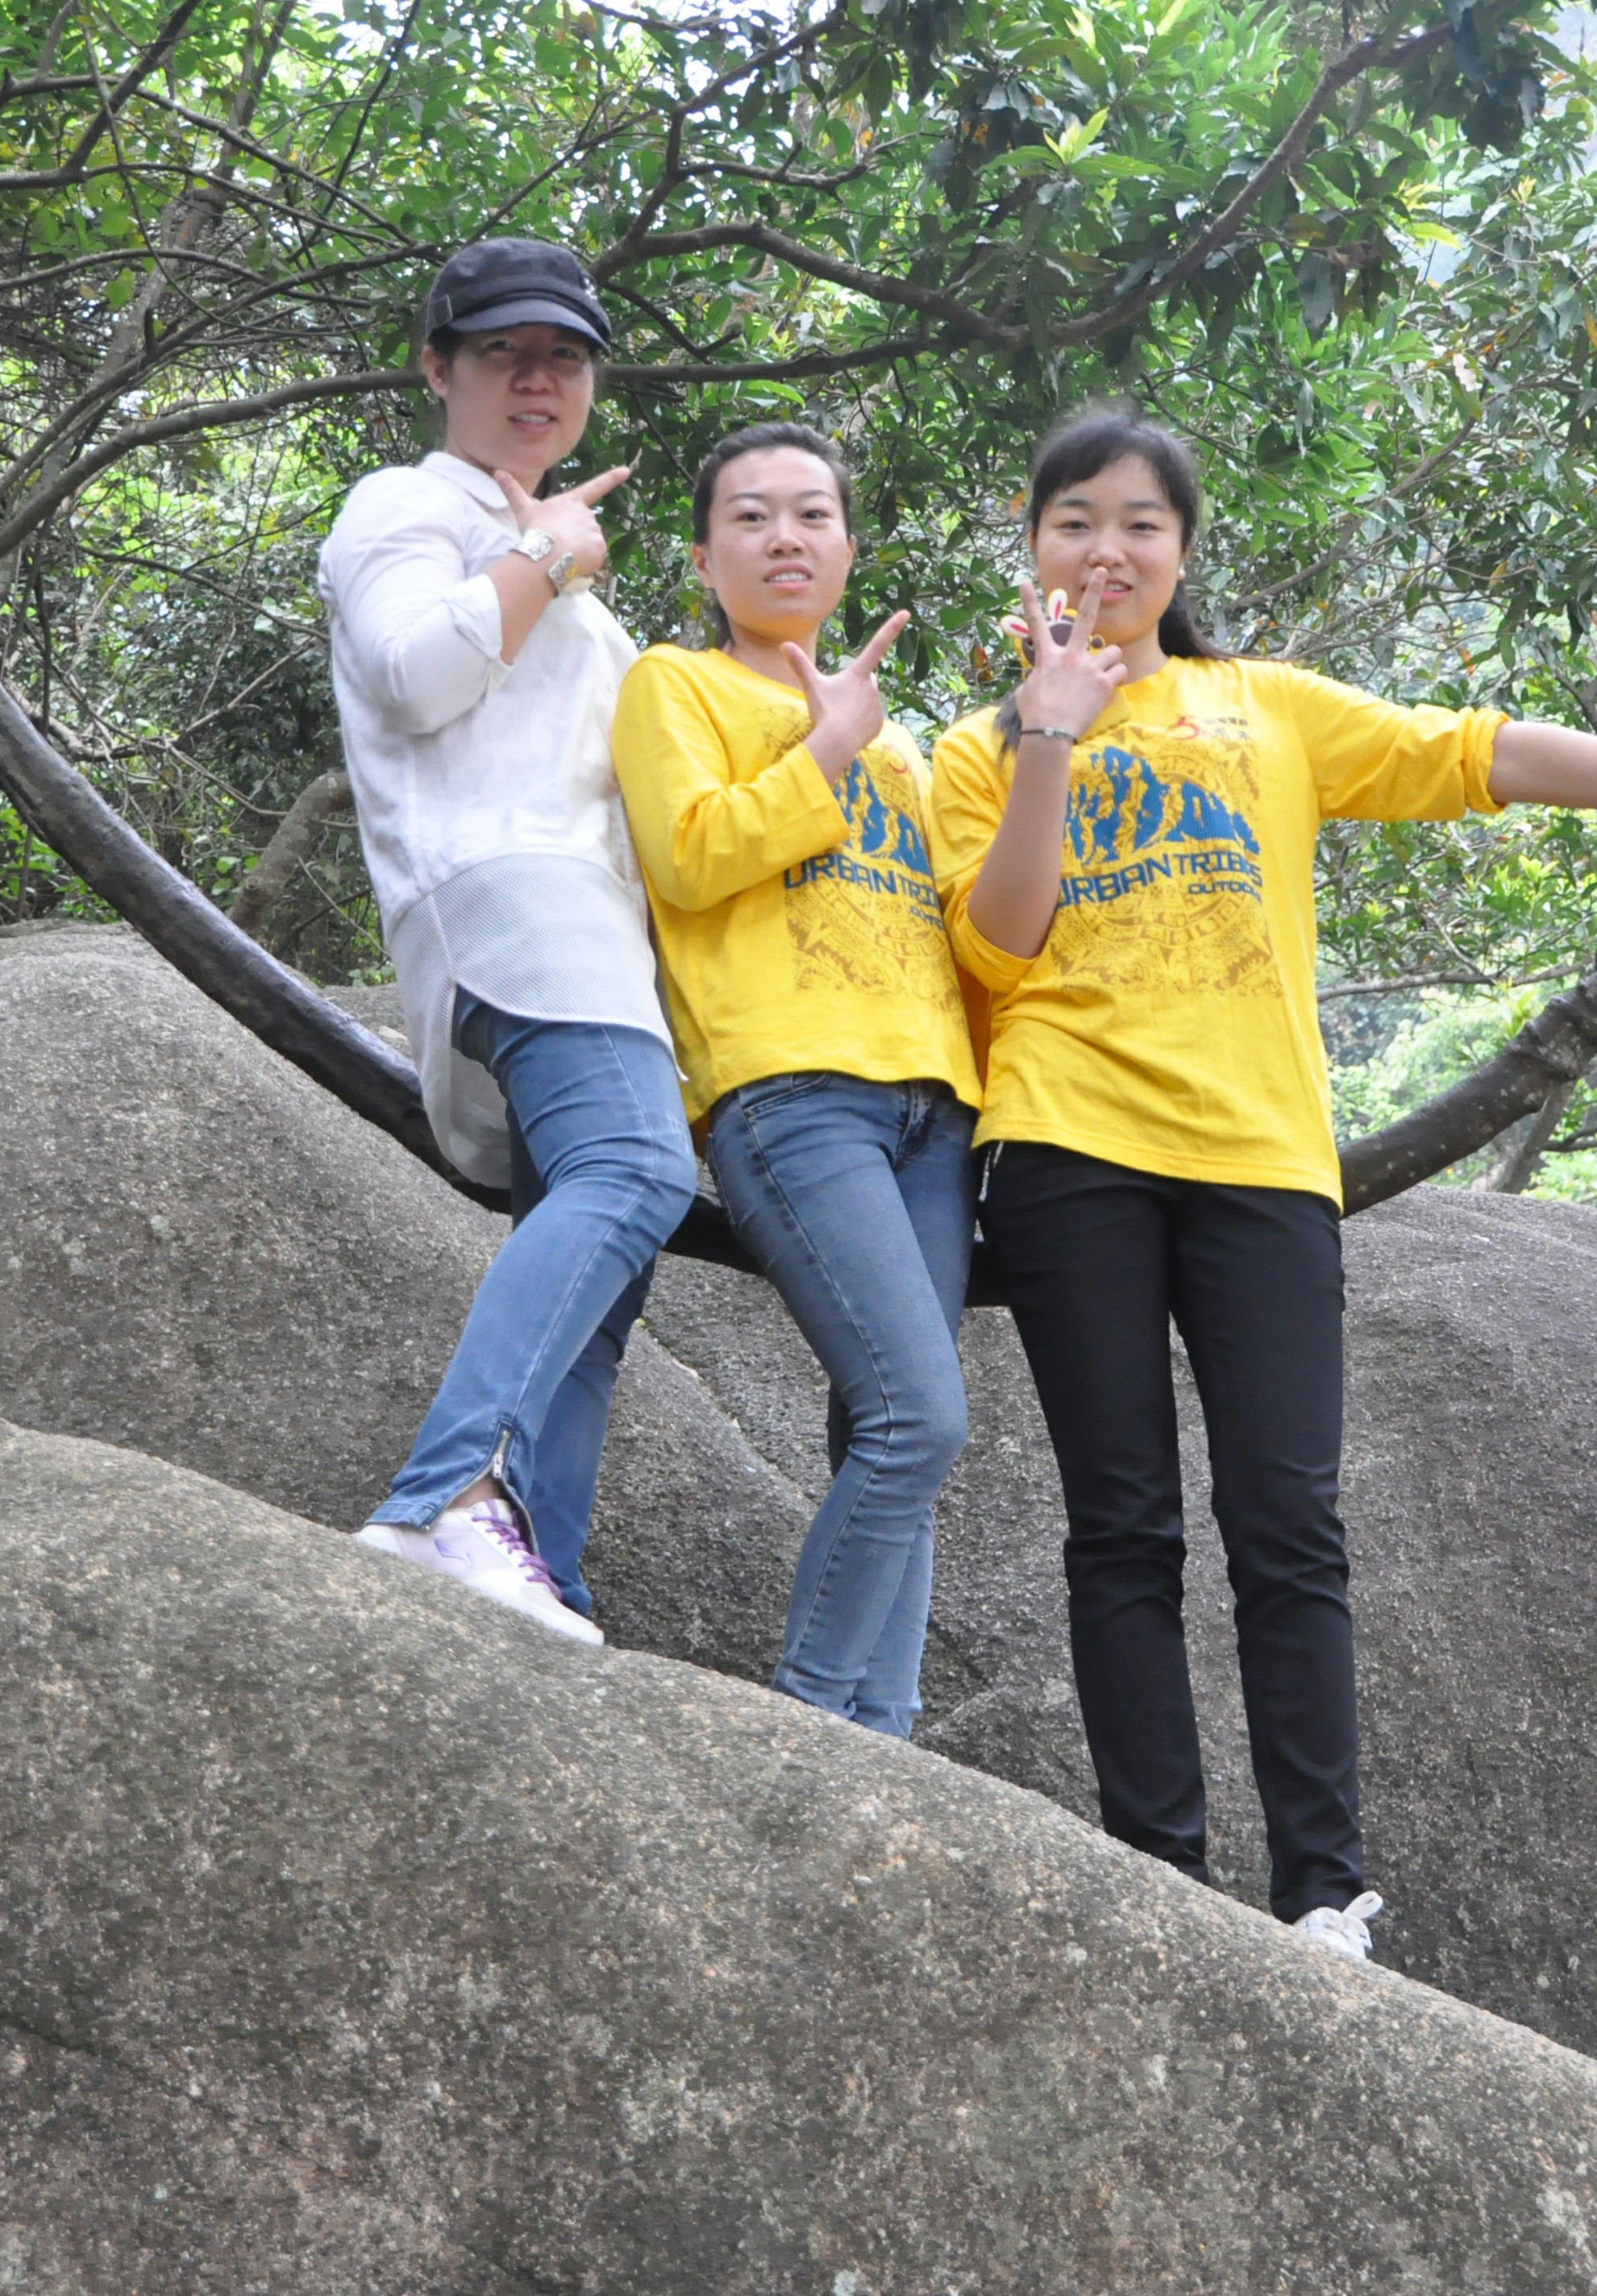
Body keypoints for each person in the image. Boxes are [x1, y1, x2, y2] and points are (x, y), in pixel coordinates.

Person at [930, 408, 1597, 1959]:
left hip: (1262, 1159)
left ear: (1183, 553)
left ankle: (1322, 1891)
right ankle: (1159, 1872)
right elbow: (1000, 944)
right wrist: (1047, 735)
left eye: (1141, 523)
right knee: (1123, 1526)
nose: (1107, 550)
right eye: (1075, 521)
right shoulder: (975, 751)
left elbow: (1483, 755)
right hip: (1070, 1148)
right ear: (1033, 547)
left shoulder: (1265, 707)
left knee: (1288, 1520)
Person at [318, 238, 694, 1645]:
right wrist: (546, 551)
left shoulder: (584, 593)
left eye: (567, 358)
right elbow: (414, 677)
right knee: (634, 1168)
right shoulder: (407, 504)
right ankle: (448, 1497)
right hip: (507, 896)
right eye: (503, 353)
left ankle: (533, 1562)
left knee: (600, 1270)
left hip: (590, 932)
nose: (540, 381)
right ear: (438, 367)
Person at [610, 423, 981, 1737]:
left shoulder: (902, 750)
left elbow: (953, 931)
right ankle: (806, 1727)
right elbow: (690, 856)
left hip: (935, 1112)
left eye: (813, 514)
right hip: (790, 1092)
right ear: (703, 558)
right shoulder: (675, 685)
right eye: (752, 516)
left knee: (889, 1438)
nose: (785, 537)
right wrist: (823, 748)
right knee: (919, 1419)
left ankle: (883, 1739)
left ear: (848, 549)